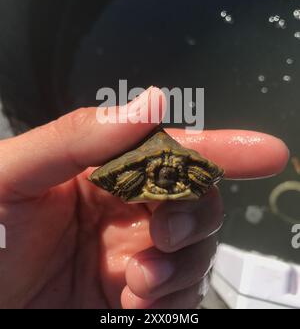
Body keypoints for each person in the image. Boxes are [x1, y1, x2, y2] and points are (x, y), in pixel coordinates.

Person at [0, 87, 289, 309]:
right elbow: (119, 177)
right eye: (159, 168)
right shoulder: (134, 176)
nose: (165, 171)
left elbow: (205, 176)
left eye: (171, 168)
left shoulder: (186, 171)